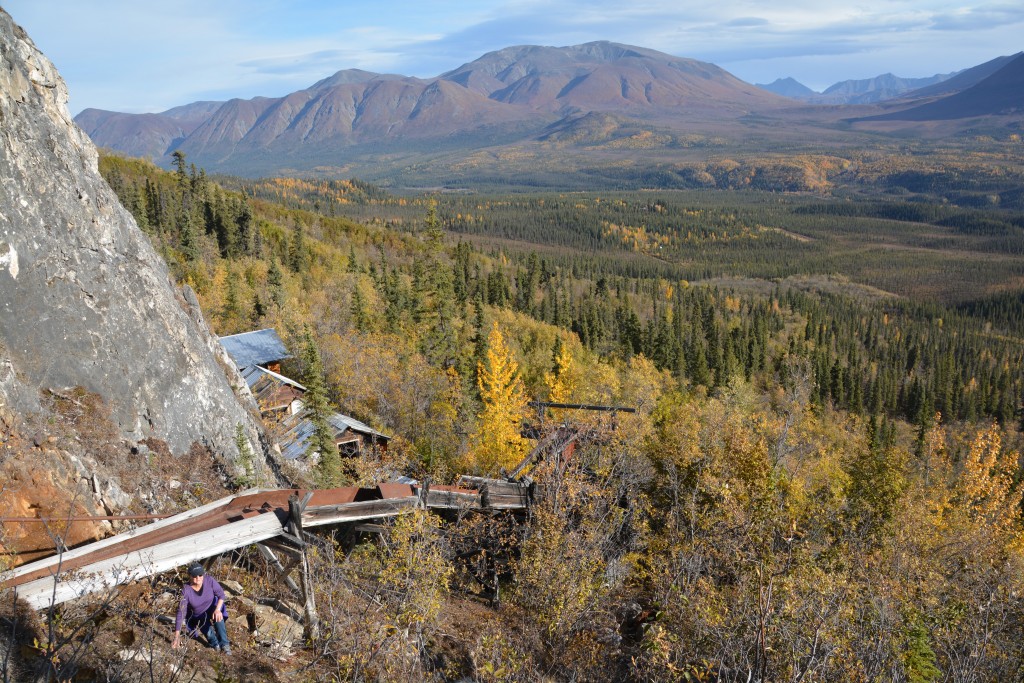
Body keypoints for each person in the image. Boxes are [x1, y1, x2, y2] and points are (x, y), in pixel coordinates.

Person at [171, 563, 231, 654]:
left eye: (200, 575)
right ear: (190, 576)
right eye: (195, 576)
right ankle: (215, 645)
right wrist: (177, 636)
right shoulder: (186, 590)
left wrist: (218, 609)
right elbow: (181, 612)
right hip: (198, 615)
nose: (198, 578)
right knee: (208, 633)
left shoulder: (209, 580)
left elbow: (221, 595)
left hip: (211, 607)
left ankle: (225, 645)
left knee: (219, 618)